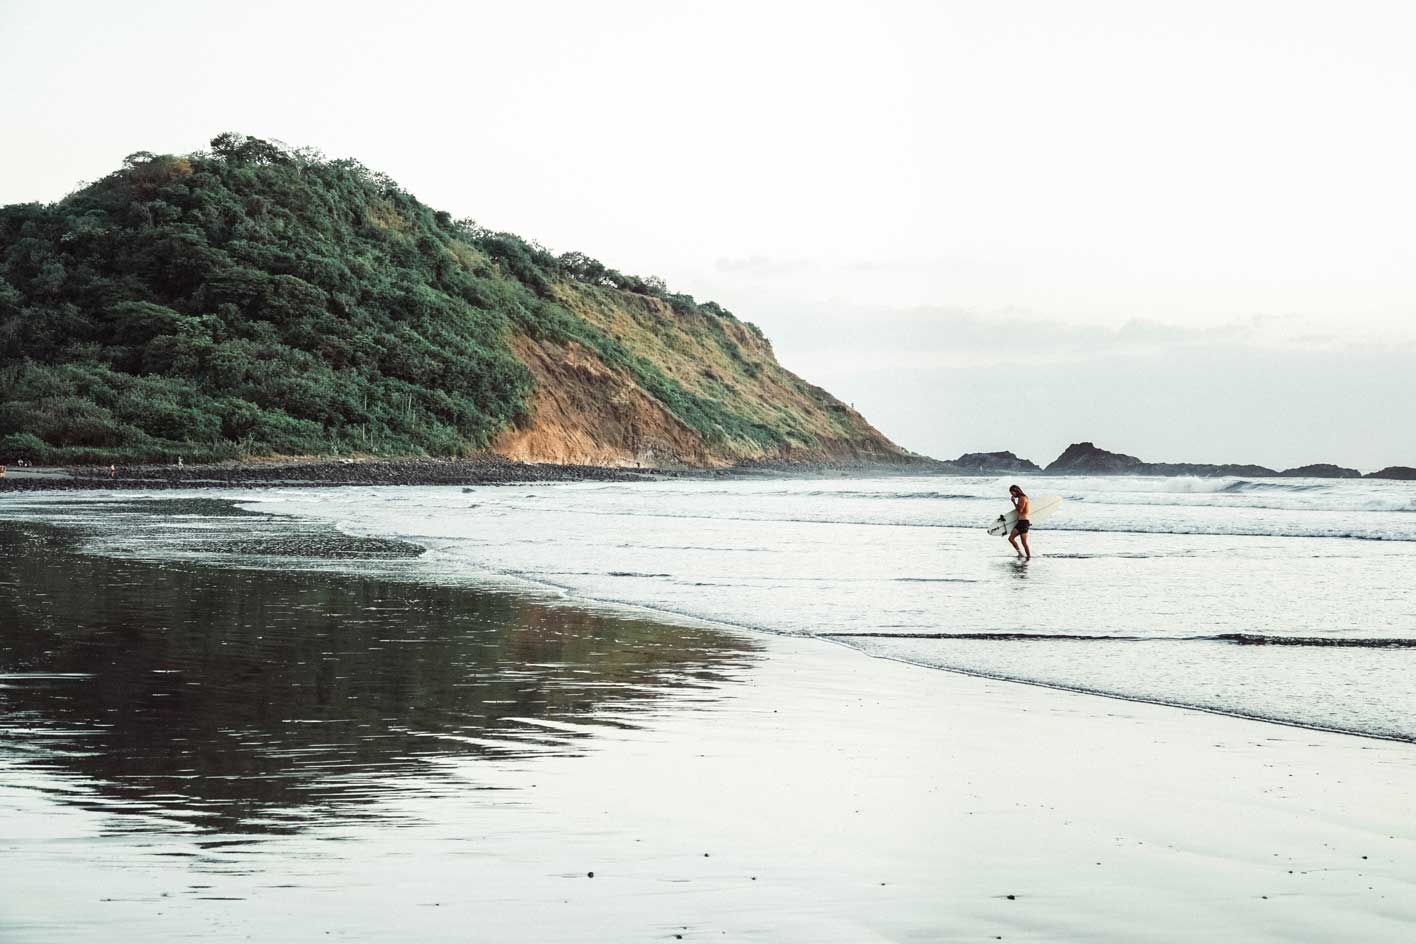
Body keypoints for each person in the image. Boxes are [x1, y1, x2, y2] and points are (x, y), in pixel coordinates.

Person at [1007, 484, 1031, 560]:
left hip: (1024, 523)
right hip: (1020, 523)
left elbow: (1020, 510)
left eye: (1012, 492)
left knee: (1024, 543)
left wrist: (1013, 502)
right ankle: (1020, 553)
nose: (1012, 494)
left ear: (1016, 491)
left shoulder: (1022, 498)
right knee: (1011, 538)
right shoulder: (1021, 498)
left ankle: (1028, 557)